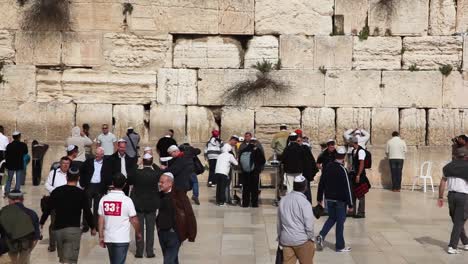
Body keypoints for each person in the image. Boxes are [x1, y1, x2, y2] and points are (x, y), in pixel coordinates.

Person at [40, 167, 95, 264]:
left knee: (63, 260)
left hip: (59, 230)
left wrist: (41, 222)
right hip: (73, 230)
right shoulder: (81, 193)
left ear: (66, 177)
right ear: (78, 178)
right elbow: (87, 212)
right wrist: (93, 227)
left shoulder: (56, 191)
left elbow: (48, 209)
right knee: (71, 261)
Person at [316, 146, 353, 252]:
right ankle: (340, 246)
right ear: (344, 157)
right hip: (340, 201)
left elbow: (321, 183)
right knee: (340, 222)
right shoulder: (343, 170)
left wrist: (319, 197)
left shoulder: (327, 167)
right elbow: (348, 188)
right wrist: (350, 204)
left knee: (332, 218)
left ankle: (321, 235)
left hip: (329, 199)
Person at [98, 173, 142, 264]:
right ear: (125, 184)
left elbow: (101, 219)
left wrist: (101, 236)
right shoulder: (127, 200)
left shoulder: (104, 199)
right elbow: (134, 220)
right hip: (122, 238)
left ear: (113, 183)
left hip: (109, 238)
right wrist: (138, 233)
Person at [157, 173, 197, 264]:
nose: (160, 184)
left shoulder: (179, 196)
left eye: (162, 182)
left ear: (170, 183)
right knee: (173, 260)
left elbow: (189, 214)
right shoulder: (159, 195)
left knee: (168, 261)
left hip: (174, 234)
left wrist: (191, 234)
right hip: (162, 233)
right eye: (159, 182)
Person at [128, 153, 161, 258]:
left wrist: (138, 164)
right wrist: (154, 164)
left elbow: (130, 176)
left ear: (143, 161)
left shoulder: (137, 173)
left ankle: (139, 252)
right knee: (150, 229)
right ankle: (150, 252)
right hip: (151, 205)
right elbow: (161, 172)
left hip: (138, 204)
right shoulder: (155, 173)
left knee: (139, 229)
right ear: (151, 161)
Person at [277, 176, 315, 264]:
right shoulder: (305, 203)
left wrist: (280, 237)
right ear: (305, 187)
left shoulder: (283, 200)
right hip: (302, 240)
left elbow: (279, 222)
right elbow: (309, 224)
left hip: (286, 240)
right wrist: (311, 239)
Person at [437, 147, 468, 254]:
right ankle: (452, 246)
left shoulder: (448, 167)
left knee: (456, 221)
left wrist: (440, 197)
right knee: (459, 222)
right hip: (463, 197)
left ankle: (466, 242)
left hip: (451, 197)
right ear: (466, 156)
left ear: (456, 155)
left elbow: (442, 183)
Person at [0, 190, 40, 264]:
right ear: (22, 199)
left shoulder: (3, 212)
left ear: (10, 200)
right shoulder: (32, 214)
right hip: (26, 246)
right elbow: (36, 237)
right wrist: (29, 250)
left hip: (9, 246)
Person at [44, 156, 71, 252]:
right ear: (60, 163)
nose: (65, 165)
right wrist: (56, 191)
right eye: (64, 163)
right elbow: (47, 184)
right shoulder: (53, 173)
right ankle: (52, 245)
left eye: (67, 164)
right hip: (55, 202)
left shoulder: (72, 174)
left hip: (68, 203)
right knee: (54, 224)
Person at [80, 147, 107, 233]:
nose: (96, 156)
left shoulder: (106, 163)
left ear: (102, 155)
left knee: (97, 207)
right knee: (87, 206)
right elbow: (82, 171)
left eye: (98, 154)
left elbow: (108, 175)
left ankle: (96, 225)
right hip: (89, 185)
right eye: (96, 154)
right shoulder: (89, 161)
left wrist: (105, 188)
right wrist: (82, 183)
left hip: (99, 186)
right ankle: (86, 225)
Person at [239, 138, 266, 207]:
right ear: (255, 143)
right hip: (254, 172)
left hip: (245, 172)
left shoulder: (243, 150)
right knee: (254, 188)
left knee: (246, 188)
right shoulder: (257, 150)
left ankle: (245, 204)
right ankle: (254, 204)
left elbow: (240, 160)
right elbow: (263, 160)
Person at [350, 137, 370, 218]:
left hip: (360, 175)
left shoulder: (361, 151)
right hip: (354, 174)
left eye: (350, 142)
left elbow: (362, 164)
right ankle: (353, 211)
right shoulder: (353, 151)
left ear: (353, 142)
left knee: (361, 193)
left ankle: (361, 212)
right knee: (353, 193)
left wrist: (358, 175)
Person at [5, 131, 28, 196]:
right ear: (19, 137)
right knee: (18, 179)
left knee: (9, 179)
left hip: (11, 164)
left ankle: (7, 192)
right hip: (19, 163)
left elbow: (6, 155)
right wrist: (25, 144)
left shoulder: (9, 146)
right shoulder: (23, 145)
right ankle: (17, 192)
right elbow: (26, 152)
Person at [298, 136, 318, 203]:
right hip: (306, 174)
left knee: (305, 190)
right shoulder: (306, 151)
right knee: (307, 190)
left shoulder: (303, 150)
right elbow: (313, 164)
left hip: (304, 174)